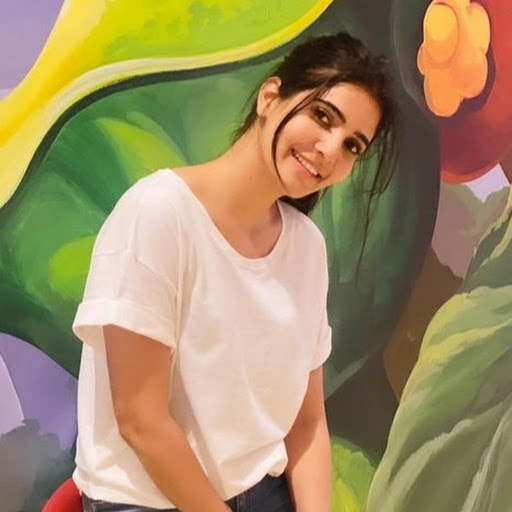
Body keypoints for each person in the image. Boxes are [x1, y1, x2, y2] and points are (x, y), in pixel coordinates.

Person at [72, 31, 399, 512]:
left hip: (263, 491)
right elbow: (140, 420)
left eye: (352, 145)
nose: (330, 150)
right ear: (270, 97)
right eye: (322, 116)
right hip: (147, 500)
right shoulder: (160, 213)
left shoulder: (306, 248)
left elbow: (306, 424)